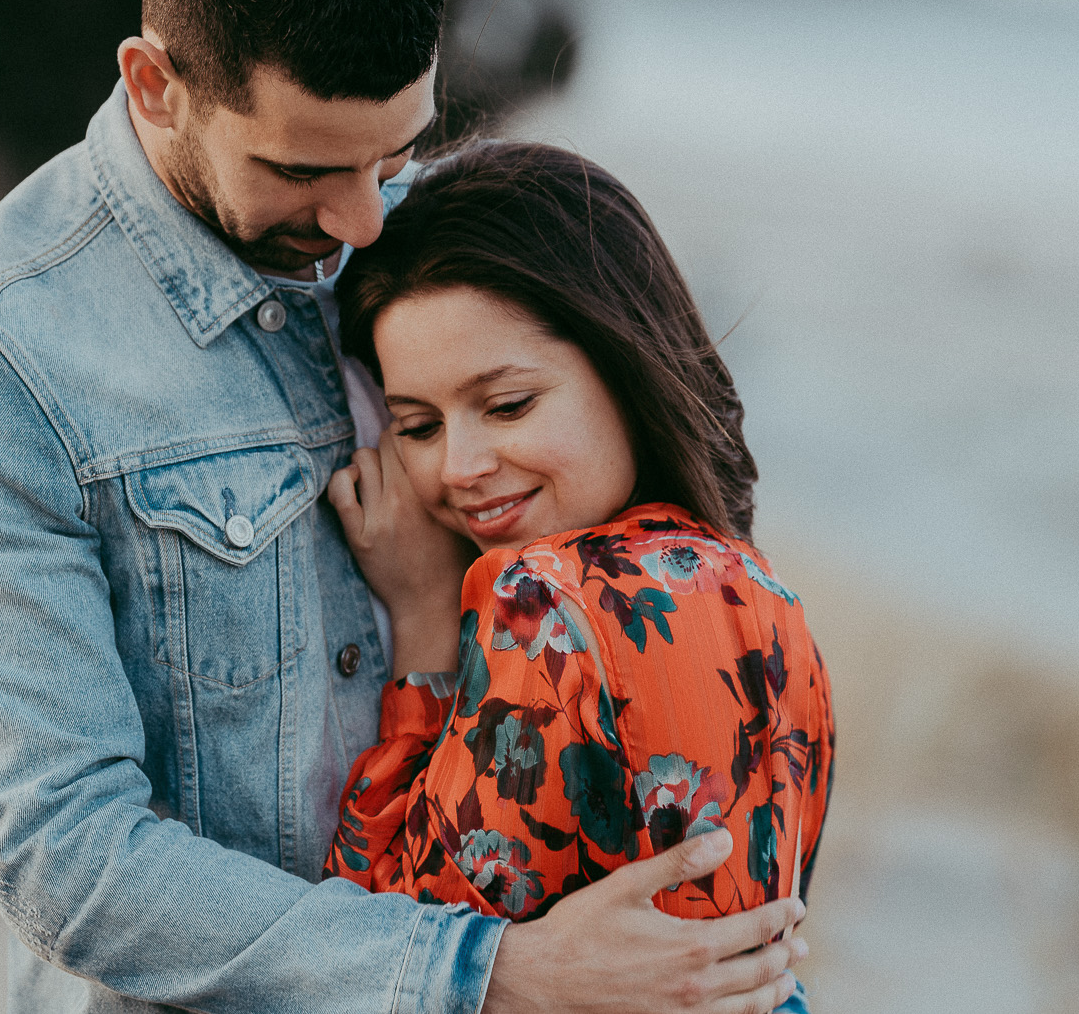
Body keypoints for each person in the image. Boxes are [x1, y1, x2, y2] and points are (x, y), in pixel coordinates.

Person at [0, 0, 807, 1014]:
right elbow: (66, 863)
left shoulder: (424, 247)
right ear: (155, 85)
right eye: (302, 170)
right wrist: (490, 975)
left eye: (397, 153)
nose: (361, 221)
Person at [322, 143, 831, 1011]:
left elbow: (386, 953)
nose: (461, 466)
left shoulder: (544, 598)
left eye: (508, 404)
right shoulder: (767, 596)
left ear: (623, 360)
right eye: (416, 425)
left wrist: (419, 617)